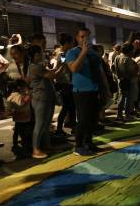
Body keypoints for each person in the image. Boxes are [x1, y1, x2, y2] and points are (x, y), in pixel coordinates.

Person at [65, 28, 102, 156]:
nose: (85, 39)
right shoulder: (72, 52)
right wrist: (84, 52)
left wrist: (105, 88)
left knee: (93, 119)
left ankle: (88, 142)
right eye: (82, 36)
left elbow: (99, 71)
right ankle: (78, 145)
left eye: (87, 36)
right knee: (83, 119)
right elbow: (74, 68)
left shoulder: (94, 53)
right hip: (81, 91)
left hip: (94, 89)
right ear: (77, 38)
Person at [27, 44, 58, 159]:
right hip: (40, 98)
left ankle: (47, 146)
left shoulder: (39, 65)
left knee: (46, 124)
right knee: (39, 125)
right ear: (36, 54)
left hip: (46, 97)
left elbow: (50, 72)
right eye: (41, 52)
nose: (43, 54)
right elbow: (52, 75)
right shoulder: (34, 66)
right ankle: (36, 149)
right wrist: (62, 66)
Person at [53, 33, 76, 136]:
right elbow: (60, 67)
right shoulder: (62, 54)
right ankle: (60, 129)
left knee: (70, 107)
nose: (72, 45)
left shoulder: (65, 53)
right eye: (71, 43)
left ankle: (72, 127)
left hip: (67, 83)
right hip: (65, 84)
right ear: (67, 43)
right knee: (68, 107)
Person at [6, 79, 32, 156]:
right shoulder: (17, 95)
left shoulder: (12, 95)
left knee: (17, 131)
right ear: (18, 87)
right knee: (24, 133)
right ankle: (25, 149)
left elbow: (9, 107)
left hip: (18, 117)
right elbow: (20, 104)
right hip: (22, 117)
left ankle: (15, 144)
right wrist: (28, 97)